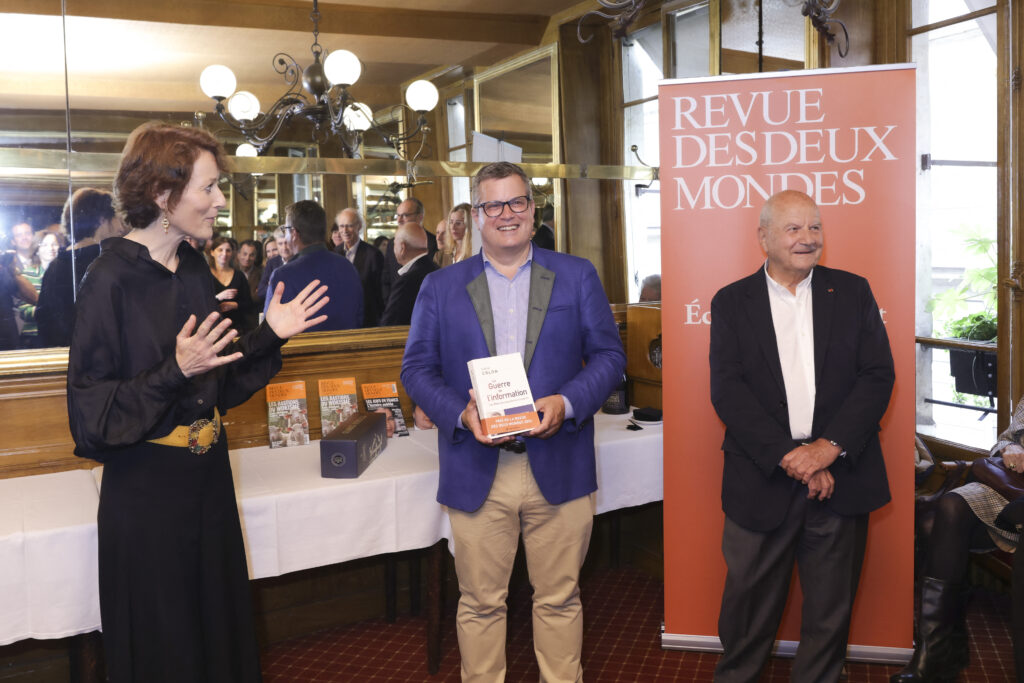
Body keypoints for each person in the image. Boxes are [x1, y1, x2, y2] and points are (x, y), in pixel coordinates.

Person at [66, 121, 329, 683]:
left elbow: (222, 384)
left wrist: (270, 335)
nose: (217, 202)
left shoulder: (192, 267)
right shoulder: (106, 281)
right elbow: (91, 421)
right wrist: (175, 370)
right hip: (147, 500)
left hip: (208, 485)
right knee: (169, 649)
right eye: (207, 189)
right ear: (163, 196)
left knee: (218, 636)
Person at [401, 161, 626, 682]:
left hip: (560, 461)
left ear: (533, 208)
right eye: (493, 205)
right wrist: (460, 412)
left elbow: (610, 357)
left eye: (517, 202)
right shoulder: (439, 286)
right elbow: (416, 368)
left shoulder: (577, 274)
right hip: (477, 466)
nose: (507, 215)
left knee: (560, 598)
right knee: (479, 603)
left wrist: (566, 403)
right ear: (475, 216)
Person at [709, 189, 895, 683]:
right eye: (793, 229)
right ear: (764, 237)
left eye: (814, 227)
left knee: (829, 619)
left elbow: (877, 376)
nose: (807, 239)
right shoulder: (731, 301)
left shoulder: (853, 291)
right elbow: (729, 392)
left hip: (841, 476)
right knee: (746, 616)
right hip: (761, 477)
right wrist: (793, 457)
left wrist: (826, 450)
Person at [892, 403, 1024, 683]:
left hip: (1020, 504)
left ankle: (944, 650)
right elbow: (1006, 437)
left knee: (938, 525)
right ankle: (935, 651)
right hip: (1010, 486)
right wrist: (1008, 449)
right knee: (948, 508)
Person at [36, 188, 121, 347]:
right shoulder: (108, 262)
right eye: (116, 217)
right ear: (102, 219)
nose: (120, 227)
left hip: (60, 360)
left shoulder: (55, 266)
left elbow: (43, 318)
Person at [266, 200, 363, 331]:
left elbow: (269, 332)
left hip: (300, 350)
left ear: (294, 234)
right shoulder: (348, 267)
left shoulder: (282, 276)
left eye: (286, 230)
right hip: (348, 349)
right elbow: (359, 318)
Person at [334, 208, 386, 327]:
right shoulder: (335, 253)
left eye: (349, 226)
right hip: (341, 321)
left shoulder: (373, 254)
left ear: (359, 226)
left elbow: (380, 293)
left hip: (367, 321)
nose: (345, 230)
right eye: (341, 226)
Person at [379, 221, 438, 326]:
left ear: (402, 247)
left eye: (394, 244)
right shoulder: (437, 270)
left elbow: (389, 325)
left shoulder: (406, 281)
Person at [15, 229, 66, 348]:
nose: (51, 248)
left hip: (61, 335)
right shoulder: (27, 275)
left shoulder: (67, 274)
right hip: (34, 337)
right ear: (37, 250)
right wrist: (49, 313)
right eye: (45, 245)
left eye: (54, 244)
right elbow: (24, 310)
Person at [208, 235, 257, 333]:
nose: (224, 254)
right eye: (220, 250)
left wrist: (234, 305)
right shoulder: (205, 275)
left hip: (238, 329)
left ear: (232, 253)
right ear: (212, 252)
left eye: (228, 250)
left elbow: (249, 304)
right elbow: (201, 303)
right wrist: (218, 297)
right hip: (212, 328)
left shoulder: (239, 275)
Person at [435, 203, 473, 268]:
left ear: (469, 225)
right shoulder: (440, 256)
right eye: (451, 222)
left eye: (458, 223)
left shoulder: (476, 254)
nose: (453, 227)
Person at [237, 239, 263, 303]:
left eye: (251, 255)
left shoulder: (262, 274)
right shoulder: (231, 272)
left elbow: (259, 298)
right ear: (238, 255)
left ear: (255, 257)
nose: (247, 258)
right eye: (245, 254)